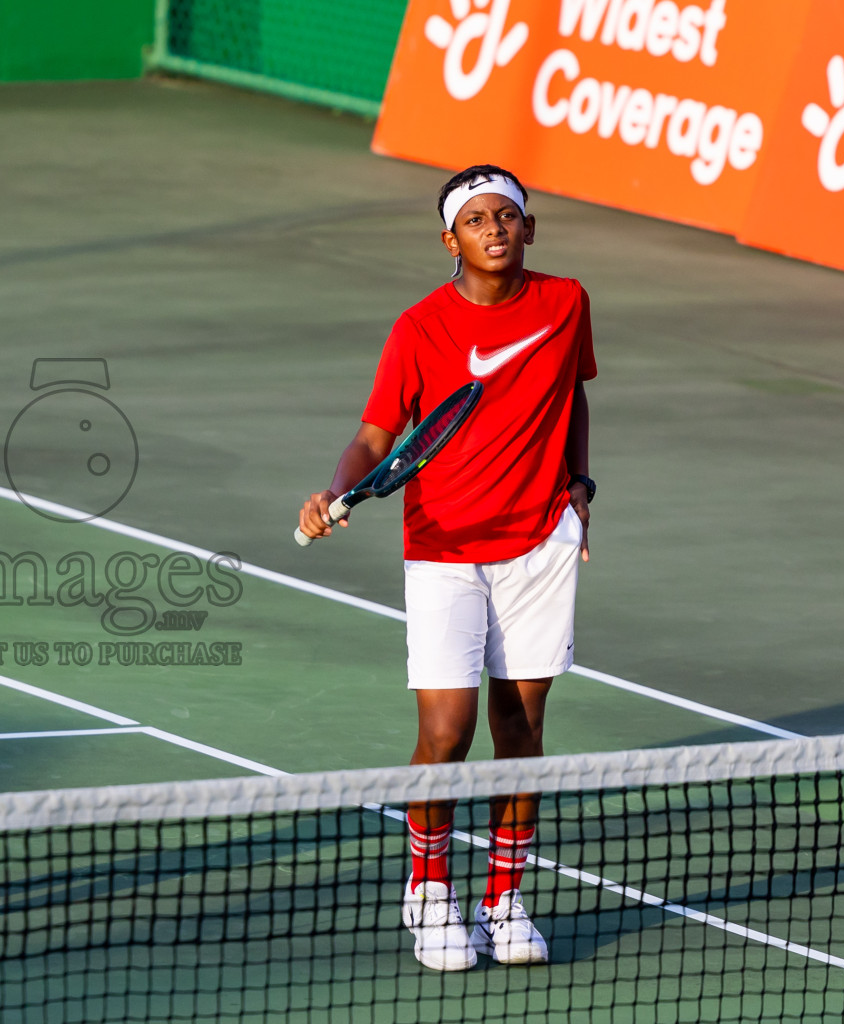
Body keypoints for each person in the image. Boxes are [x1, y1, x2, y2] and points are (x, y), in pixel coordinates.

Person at [298, 164, 595, 972]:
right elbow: (375, 433)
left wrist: (580, 487)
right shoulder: (420, 327)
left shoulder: (566, 303)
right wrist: (333, 488)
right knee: (445, 732)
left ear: (529, 231)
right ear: (449, 240)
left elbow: (574, 395)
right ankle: (430, 891)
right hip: (444, 551)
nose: (494, 228)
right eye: (476, 219)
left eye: (508, 216)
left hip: (539, 545)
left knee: (522, 730)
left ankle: (505, 898)